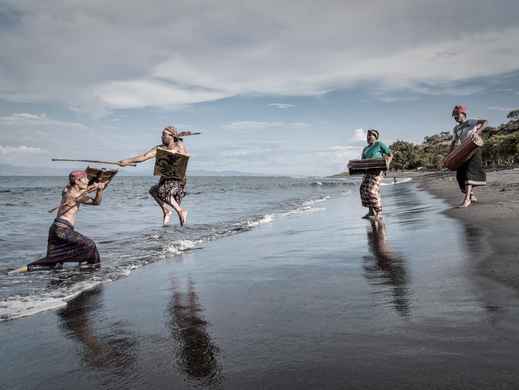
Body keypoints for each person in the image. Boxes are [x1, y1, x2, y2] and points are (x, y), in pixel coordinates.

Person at [25, 170, 106, 271]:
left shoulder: (67, 189)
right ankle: (91, 270)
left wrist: (99, 190)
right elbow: (83, 197)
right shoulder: (74, 194)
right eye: (85, 179)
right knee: (90, 245)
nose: (87, 181)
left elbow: (96, 202)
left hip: (57, 229)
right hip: (61, 230)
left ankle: (26, 269)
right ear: (77, 181)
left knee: (54, 264)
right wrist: (97, 188)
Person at [118, 126, 189, 225]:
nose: (161, 137)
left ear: (172, 136)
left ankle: (180, 211)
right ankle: (167, 211)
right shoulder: (159, 148)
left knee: (163, 193)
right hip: (165, 180)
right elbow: (144, 157)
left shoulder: (179, 145)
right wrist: (127, 161)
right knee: (153, 190)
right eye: (162, 134)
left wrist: (172, 153)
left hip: (178, 181)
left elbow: (184, 158)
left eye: (164, 134)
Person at [449, 105, 487, 208]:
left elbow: (485, 122)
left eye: (457, 115)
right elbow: (453, 142)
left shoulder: (470, 122)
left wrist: (477, 133)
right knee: (460, 175)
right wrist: (450, 155)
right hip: (463, 151)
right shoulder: (456, 128)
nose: (455, 117)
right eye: (454, 115)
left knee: (468, 174)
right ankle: (471, 194)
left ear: (463, 114)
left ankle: (467, 200)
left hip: (474, 148)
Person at [359, 129, 392, 219]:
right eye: (367, 136)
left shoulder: (379, 144)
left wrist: (387, 164)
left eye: (370, 135)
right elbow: (362, 161)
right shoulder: (365, 149)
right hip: (367, 172)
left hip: (377, 171)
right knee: (363, 190)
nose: (368, 137)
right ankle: (371, 212)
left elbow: (390, 154)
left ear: (375, 136)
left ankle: (378, 212)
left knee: (372, 191)